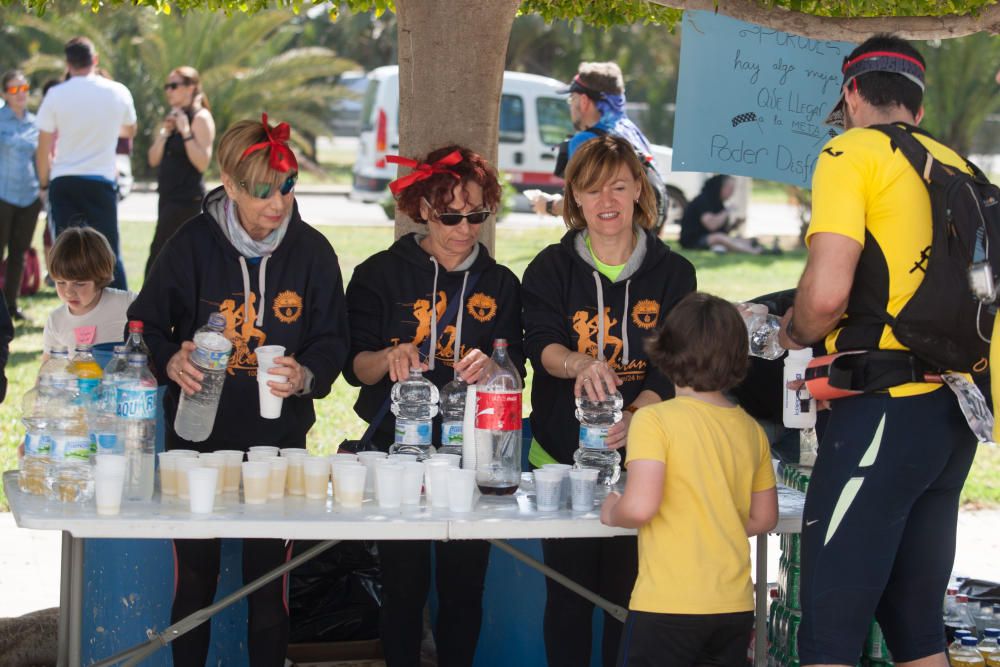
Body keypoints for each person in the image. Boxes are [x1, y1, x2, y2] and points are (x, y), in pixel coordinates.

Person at [777, 35, 979, 667]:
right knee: (914, 620)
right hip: (956, 412)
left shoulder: (850, 150)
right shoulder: (960, 166)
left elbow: (828, 293)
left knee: (830, 631)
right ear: (918, 107)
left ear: (852, 93)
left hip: (885, 407)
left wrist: (791, 331)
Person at [127, 114, 349, 666]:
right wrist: (169, 356)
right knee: (195, 581)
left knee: (269, 587)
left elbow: (333, 340)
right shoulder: (190, 246)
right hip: (197, 447)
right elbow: (144, 325)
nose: (278, 203)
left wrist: (306, 374)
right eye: (262, 191)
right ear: (228, 185)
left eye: (288, 186)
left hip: (277, 449)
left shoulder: (313, 252)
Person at [343, 145, 524, 667]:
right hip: (396, 448)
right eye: (451, 216)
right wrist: (390, 356)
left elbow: (517, 374)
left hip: (473, 453)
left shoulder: (501, 284)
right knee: (403, 587)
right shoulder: (381, 273)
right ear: (423, 208)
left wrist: (494, 370)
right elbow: (355, 368)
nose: (465, 229)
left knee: (464, 589)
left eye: (476, 216)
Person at [521, 134, 697, 667]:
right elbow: (540, 344)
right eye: (592, 189)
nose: (607, 202)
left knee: (631, 601)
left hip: (642, 464)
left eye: (618, 187)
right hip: (560, 462)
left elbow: (677, 361)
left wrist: (640, 413)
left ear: (639, 189)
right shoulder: (550, 268)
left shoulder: (674, 273)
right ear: (573, 195)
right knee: (569, 602)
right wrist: (578, 363)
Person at [601, 292, 778, 667]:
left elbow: (641, 507)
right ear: (738, 357)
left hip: (667, 604)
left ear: (665, 351)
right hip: (733, 605)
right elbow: (765, 519)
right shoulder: (750, 429)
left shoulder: (654, 420)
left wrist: (613, 511)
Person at [35, 36, 136, 290]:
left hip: (64, 181)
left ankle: (73, 314)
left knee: (65, 255)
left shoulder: (56, 95)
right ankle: (124, 313)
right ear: (95, 60)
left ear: (68, 64)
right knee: (109, 252)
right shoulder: (117, 91)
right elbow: (129, 130)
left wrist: (44, 182)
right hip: (100, 182)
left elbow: (44, 147)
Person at [530, 62, 659, 219]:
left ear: (584, 101)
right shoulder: (633, 133)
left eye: (572, 99)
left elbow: (582, 207)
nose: (571, 106)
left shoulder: (585, 141)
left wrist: (548, 205)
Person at [145, 65, 215, 276]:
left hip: (187, 198)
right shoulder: (173, 117)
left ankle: (150, 300)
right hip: (167, 195)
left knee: (159, 253)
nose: (169, 91)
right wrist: (165, 133)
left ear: (191, 87)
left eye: (174, 86)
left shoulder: (200, 118)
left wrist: (186, 132)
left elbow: (202, 162)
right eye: (167, 86)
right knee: (171, 253)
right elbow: (153, 159)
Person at [42, 227, 135, 359]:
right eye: (61, 282)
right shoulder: (56, 321)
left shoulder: (127, 303)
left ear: (99, 278)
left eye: (79, 284)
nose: (69, 292)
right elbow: (47, 368)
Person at [0, 70, 42, 322]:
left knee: (19, 253)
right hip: (3, 196)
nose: (20, 94)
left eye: (24, 88)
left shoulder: (36, 123)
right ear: (5, 93)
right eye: (14, 89)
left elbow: (39, 159)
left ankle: (10, 305)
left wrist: (42, 189)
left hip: (29, 197)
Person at [679, 175, 771, 255]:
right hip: (692, 240)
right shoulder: (703, 200)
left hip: (709, 237)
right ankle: (753, 251)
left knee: (739, 239)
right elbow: (711, 225)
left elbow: (722, 231)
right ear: (720, 187)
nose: (732, 193)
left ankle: (757, 246)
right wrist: (726, 211)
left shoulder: (718, 203)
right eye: (730, 189)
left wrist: (735, 225)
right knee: (719, 238)